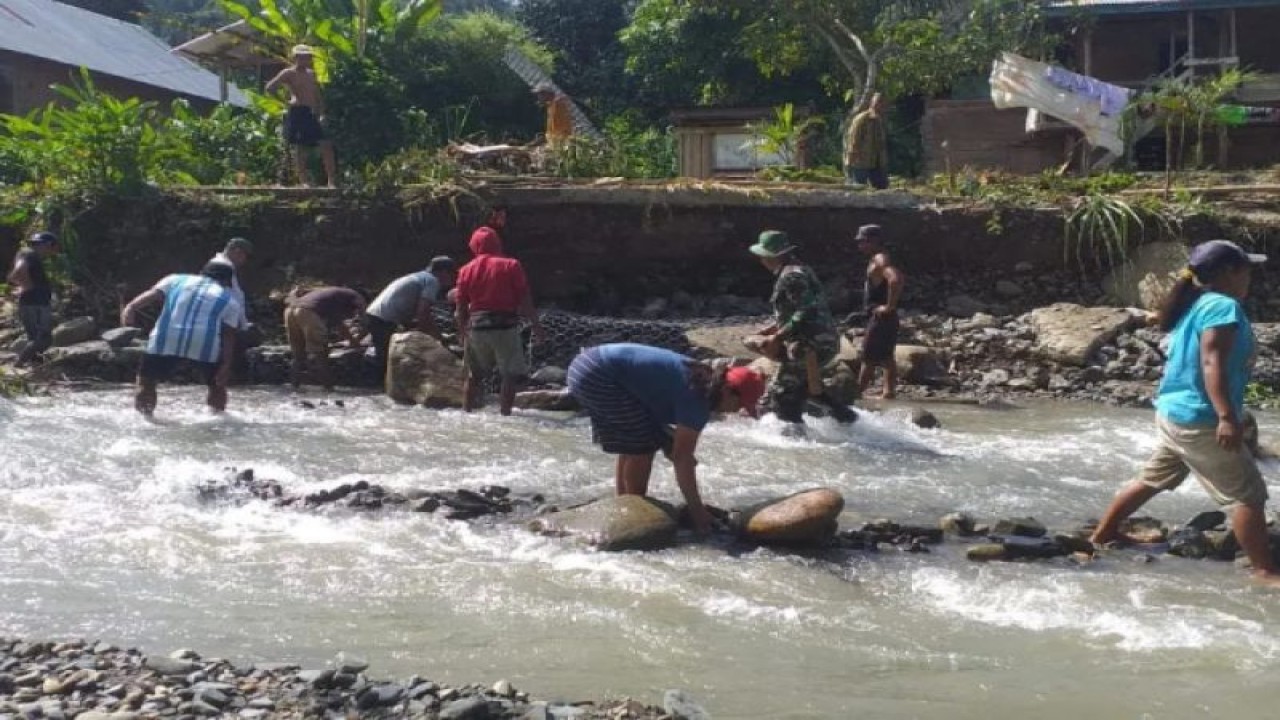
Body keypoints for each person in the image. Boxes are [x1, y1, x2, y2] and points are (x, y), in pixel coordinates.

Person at [1089, 240, 1280, 585]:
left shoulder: (1195, 304)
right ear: (1228, 273)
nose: (1250, 276)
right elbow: (1212, 360)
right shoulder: (1223, 307)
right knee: (1247, 495)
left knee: (1152, 478)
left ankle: (1103, 535)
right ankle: (1264, 572)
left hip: (1173, 414)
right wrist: (1225, 416)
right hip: (1201, 419)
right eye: (1246, 269)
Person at [567, 343, 766, 535]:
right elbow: (682, 459)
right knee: (642, 445)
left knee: (634, 442)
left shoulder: (701, 376)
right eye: (740, 404)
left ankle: (623, 504)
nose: (737, 411)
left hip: (586, 364)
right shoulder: (698, 398)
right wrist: (697, 512)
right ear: (728, 390)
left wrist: (666, 440)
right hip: (598, 375)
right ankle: (633, 511)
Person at [750, 230, 857, 433]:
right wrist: (774, 327)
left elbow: (805, 310)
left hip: (810, 344)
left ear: (773, 256)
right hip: (819, 341)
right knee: (808, 390)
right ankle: (849, 422)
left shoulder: (791, 276)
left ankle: (795, 443)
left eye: (763, 256)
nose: (761, 260)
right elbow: (802, 308)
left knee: (783, 393)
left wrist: (777, 336)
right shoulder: (800, 269)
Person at [119, 262, 241, 416]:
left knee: (147, 381)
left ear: (202, 273)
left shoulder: (176, 280)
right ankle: (216, 418)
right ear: (225, 281)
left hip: (167, 339)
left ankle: (145, 417)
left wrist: (131, 307)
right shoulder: (229, 300)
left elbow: (152, 295)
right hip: (203, 344)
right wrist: (225, 366)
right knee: (216, 385)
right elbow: (228, 336)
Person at [455, 225, 544, 416]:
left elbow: (461, 305)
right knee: (509, 375)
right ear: (497, 243)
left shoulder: (465, 270)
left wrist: (462, 331)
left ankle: (466, 414)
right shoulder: (511, 265)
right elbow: (525, 298)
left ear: (474, 246)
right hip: (505, 327)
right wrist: (537, 327)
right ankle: (505, 415)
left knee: (473, 376)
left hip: (477, 328)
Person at [364, 257, 456, 380]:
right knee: (387, 357)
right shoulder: (432, 281)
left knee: (385, 351)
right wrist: (438, 338)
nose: (452, 278)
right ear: (444, 272)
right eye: (451, 274)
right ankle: (380, 386)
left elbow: (412, 309)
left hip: (376, 313)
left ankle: (378, 382)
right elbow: (423, 313)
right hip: (384, 317)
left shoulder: (419, 276)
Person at [265, 44, 337, 187]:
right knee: (301, 148)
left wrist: (322, 112)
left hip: (311, 113)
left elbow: (317, 94)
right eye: (304, 57)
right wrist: (286, 102)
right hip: (298, 112)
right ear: (296, 58)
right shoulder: (288, 73)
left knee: (326, 145)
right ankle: (304, 181)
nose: (307, 59)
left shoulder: (311, 73)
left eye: (308, 57)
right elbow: (270, 87)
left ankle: (332, 180)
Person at [853, 224, 905, 399]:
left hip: (881, 317)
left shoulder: (879, 260)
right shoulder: (880, 258)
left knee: (868, 357)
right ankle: (888, 392)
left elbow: (895, 279)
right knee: (887, 357)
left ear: (874, 241)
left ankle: (856, 394)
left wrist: (889, 305)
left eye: (863, 242)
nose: (860, 246)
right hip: (888, 318)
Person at [284, 285, 368, 391]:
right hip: (308, 312)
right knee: (321, 354)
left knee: (298, 356)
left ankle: (294, 388)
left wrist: (351, 340)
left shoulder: (331, 295)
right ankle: (329, 390)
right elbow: (362, 320)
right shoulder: (356, 296)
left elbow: (336, 323)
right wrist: (355, 341)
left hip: (290, 310)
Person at [7, 231, 58, 366]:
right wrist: (27, 285)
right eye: (53, 247)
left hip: (32, 302)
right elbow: (18, 271)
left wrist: (24, 286)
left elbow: (16, 275)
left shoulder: (29, 255)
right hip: (35, 303)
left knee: (34, 337)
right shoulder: (29, 254)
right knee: (44, 338)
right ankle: (19, 363)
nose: (53, 251)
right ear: (47, 245)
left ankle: (34, 362)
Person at [844, 93, 889, 190]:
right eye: (878, 103)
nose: (880, 106)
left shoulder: (879, 121)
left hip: (877, 162)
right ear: (872, 103)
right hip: (860, 162)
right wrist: (851, 160)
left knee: (882, 188)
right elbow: (853, 140)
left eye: (883, 103)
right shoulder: (862, 119)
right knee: (858, 188)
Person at [533, 82, 574, 149]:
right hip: (556, 142)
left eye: (540, 94)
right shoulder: (551, 105)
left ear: (546, 94)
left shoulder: (557, 104)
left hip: (560, 143)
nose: (538, 97)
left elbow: (559, 128)